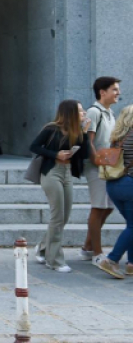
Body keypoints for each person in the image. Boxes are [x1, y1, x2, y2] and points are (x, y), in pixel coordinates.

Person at [29, 100, 92, 273]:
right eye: (80, 111)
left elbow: (85, 154)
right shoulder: (51, 128)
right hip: (51, 173)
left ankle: (43, 247)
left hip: (66, 173)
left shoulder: (76, 131)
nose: (84, 113)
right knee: (57, 216)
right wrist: (55, 154)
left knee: (64, 216)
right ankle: (54, 260)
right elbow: (34, 146)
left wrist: (84, 134)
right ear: (70, 113)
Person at [83, 77, 121, 262]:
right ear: (102, 92)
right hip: (96, 167)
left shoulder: (109, 113)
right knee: (98, 207)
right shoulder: (94, 111)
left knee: (107, 207)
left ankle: (88, 246)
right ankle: (96, 253)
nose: (118, 93)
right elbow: (87, 139)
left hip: (107, 166)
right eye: (114, 89)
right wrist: (95, 160)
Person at [96, 105, 133, 279]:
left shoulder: (118, 137)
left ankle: (131, 264)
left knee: (131, 225)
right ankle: (111, 260)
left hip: (114, 185)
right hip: (129, 185)